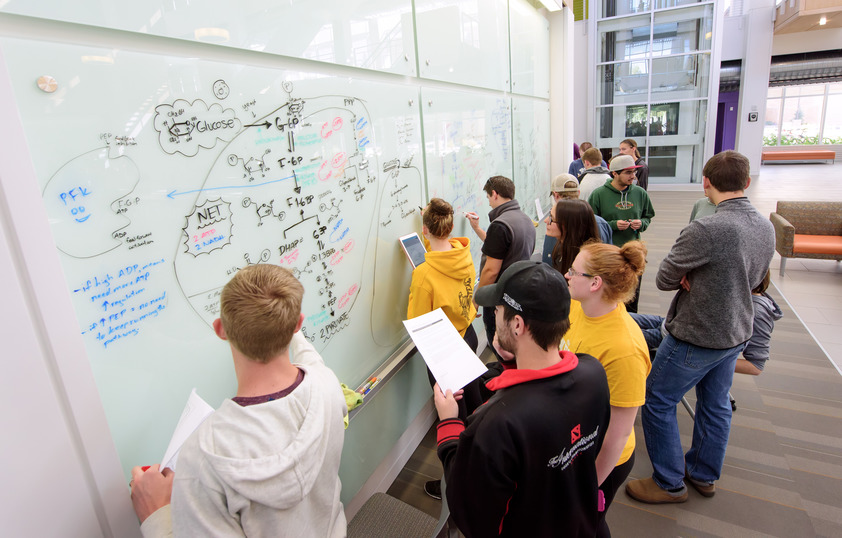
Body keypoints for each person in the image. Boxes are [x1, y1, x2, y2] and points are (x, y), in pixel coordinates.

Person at [130, 264, 347, 537]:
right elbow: (309, 359)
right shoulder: (326, 385)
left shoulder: (204, 456)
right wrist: (281, 318)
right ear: (298, 325)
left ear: (220, 329)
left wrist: (156, 515)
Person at [626, 150, 775, 504]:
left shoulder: (707, 227)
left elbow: (663, 278)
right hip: (737, 331)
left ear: (706, 183)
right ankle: (703, 474)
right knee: (716, 404)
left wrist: (691, 276)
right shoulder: (765, 226)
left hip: (697, 334)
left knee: (658, 400)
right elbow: (750, 280)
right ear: (747, 182)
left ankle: (668, 482)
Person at [434, 260, 610, 537]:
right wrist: (514, 362)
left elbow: (470, 514)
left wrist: (448, 423)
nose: (494, 316)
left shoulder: (496, 423)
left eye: (498, 310)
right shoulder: (594, 374)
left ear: (517, 324)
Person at [561, 241, 651, 538]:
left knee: (589, 524)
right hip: (578, 440)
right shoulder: (578, 306)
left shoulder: (625, 349)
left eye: (574, 271)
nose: (566, 275)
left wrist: (589, 485)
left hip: (602, 456)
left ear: (595, 283)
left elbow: (620, 432)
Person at [407, 197, 481, 500]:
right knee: (469, 410)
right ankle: (471, 470)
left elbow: (418, 324)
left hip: (445, 352)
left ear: (425, 230)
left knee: (453, 419)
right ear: (449, 228)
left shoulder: (424, 273)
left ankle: (456, 485)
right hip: (468, 336)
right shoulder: (462, 253)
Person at [630, 270, 782, 376]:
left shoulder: (757, 312)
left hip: (681, 341)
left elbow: (756, 367)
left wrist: (706, 361)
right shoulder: (736, 295)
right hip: (674, 324)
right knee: (620, 317)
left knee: (616, 335)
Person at [465, 176, 535, 358]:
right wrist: (477, 229)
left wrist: (477, 300)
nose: (488, 203)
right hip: (519, 295)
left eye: (488, 198)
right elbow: (502, 248)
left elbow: (491, 269)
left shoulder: (500, 225)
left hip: (499, 300)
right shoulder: (525, 220)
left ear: (494, 194)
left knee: (501, 350)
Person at [588, 154, 655, 313]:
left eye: (634, 172)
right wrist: (612, 225)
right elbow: (590, 224)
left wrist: (641, 224)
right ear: (615, 174)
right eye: (628, 172)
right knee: (610, 296)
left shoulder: (640, 193)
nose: (633, 176)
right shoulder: (598, 195)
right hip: (610, 255)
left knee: (632, 296)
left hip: (634, 253)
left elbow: (648, 216)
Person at [544, 198, 601, 277]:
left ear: (569, 226)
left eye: (552, 219)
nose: (546, 221)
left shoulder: (586, 263)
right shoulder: (561, 246)